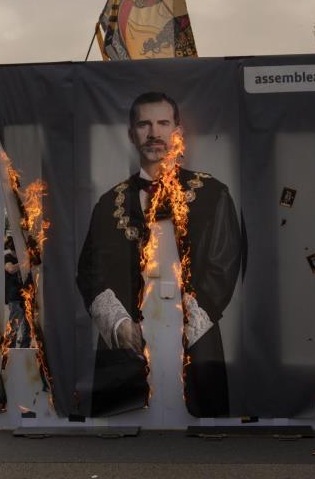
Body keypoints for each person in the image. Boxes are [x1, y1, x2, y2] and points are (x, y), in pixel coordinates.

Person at [76, 91, 242, 417]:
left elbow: (223, 266)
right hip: (127, 345)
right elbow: (89, 271)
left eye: (163, 123)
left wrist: (182, 326)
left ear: (177, 131)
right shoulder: (109, 203)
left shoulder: (212, 194)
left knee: (200, 430)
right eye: (144, 124)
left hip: (195, 338)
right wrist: (119, 324)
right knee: (126, 433)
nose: (154, 133)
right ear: (131, 134)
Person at [4, 237, 31, 348]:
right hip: (14, 296)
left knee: (28, 325)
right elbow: (10, 269)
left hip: (26, 295)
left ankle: (24, 347)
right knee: (14, 323)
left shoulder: (23, 257)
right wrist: (24, 262)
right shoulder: (8, 257)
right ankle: (9, 348)